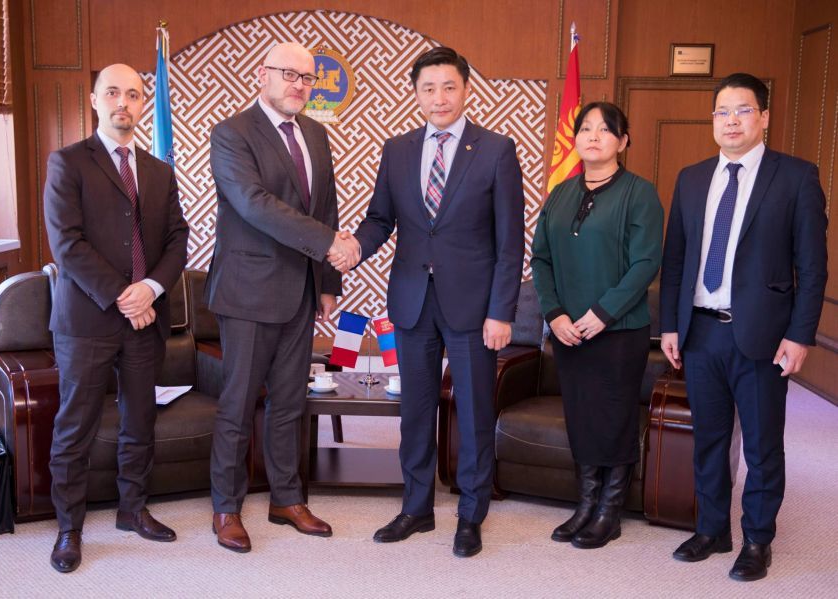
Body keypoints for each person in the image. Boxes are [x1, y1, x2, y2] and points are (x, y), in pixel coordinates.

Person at [337, 46, 524, 558]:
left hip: (474, 307)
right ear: (415, 93)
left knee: (474, 411)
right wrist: (354, 248)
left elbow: (510, 241)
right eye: (428, 88)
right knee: (415, 412)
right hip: (412, 301)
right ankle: (416, 508)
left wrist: (501, 311)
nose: (439, 98)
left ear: (466, 90)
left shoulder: (496, 150)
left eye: (448, 87)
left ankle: (471, 515)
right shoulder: (397, 149)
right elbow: (380, 219)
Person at [660, 73, 827, 581]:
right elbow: (675, 260)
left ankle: (757, 539)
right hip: (700, 332)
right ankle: (712, 529)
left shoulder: (795, 177)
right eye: (722, 111)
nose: (731, 121)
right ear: (713, 119)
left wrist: (800, 335)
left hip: (763, 335)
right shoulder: (692, 178)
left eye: (743, 110)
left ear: (764, 117)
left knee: (761, 445)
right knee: (709, 439)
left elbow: (812, 267)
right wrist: (670, 326)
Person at [204, 41, 360, 553]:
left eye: (307, 77)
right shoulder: (232, 133)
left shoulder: (315, 133)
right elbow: (255, 204)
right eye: (288, 74)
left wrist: (328, 283)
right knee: (239, 404)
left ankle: (286, 499)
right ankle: (226, 507)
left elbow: (326, 207)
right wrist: (330, 243)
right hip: (248, 293)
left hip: (302, 291)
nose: (298, 84)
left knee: (290, 402)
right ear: (262, 74)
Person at [43, 63, 190, 573]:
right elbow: (67, 244)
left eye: (132, 93)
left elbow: (177, 239)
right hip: (88, 320)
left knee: (140, 420)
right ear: (94, 100)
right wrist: (124, 295)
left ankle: (133, 510)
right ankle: (69, 528)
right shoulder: (67, 162)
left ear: (143, 103)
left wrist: (150, 288)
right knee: (75, 426)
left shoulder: (158, 170)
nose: (122, 102)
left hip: (146, 319)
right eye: (112, 92)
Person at [531, 101, 663, 549]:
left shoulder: (639, 193)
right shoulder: (560, 193)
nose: (593, 136)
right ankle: (586, 505)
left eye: (605, 130)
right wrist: (554, 313)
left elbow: (646, 263)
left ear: (623, 141)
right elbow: (541, 259)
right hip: (568, 331)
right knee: (581, 417)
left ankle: (610, 511)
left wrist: (602, 313)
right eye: (585, 128)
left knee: (614, 418)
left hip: (618, 330)